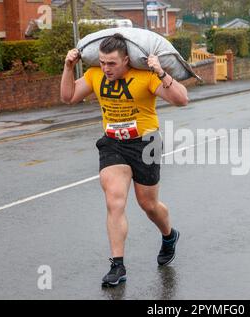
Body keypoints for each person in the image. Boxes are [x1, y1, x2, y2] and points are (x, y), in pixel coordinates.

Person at [60, 34, 189, 286]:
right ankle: (117, 266)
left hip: (145, 143)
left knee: (148, 204)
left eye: (112, 63)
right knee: (115, 200)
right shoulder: (95, 75)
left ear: (126, 60)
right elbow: (69, 97)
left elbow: (182, 99)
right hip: (112, 144)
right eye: (102, 62)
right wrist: (67, 67)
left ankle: (169, 235)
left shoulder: (146, 76)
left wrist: (161, 73)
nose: (106, 68)